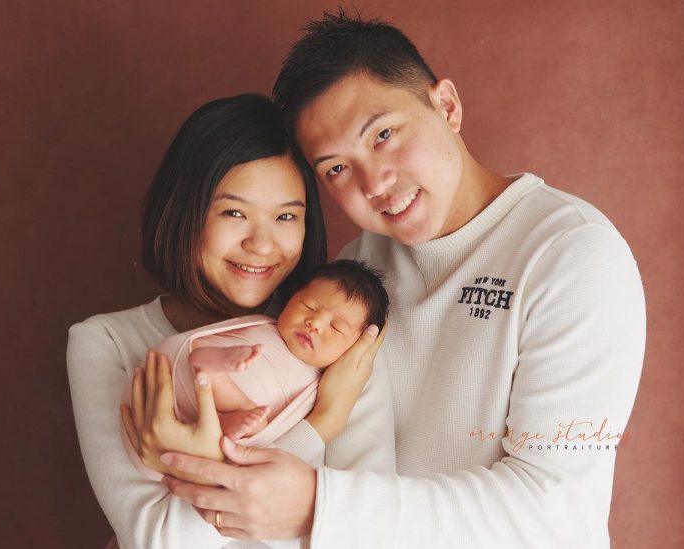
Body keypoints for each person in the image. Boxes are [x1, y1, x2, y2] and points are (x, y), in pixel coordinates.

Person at [152, 11, 646, 548]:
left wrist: (321, 506)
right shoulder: (354, 271)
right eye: (336, 169)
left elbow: (554, 507)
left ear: (447, 106)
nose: (374, 182)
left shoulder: (570, 253)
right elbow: (290, 437)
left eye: (383, 134)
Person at [67, 94, 390, 548]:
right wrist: (318, 433)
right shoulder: (104, 342)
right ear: (185, 212)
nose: (262, 245)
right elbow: (162, 541)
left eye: (285, 216)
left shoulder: (336, 340)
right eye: (234, 212)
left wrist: (326, 419)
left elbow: (371, 535)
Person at [121, 259, 388, 469]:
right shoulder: (266, 326)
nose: (315, 324)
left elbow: (278, 443)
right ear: (291, 298)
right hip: (175, 380)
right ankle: (213, 369)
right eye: (308, 306)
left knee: (257, 424)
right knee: (203, 353)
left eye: (336, 327)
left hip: (199, 439)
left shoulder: (321, 388)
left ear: (355, 349)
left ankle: (226, 421)